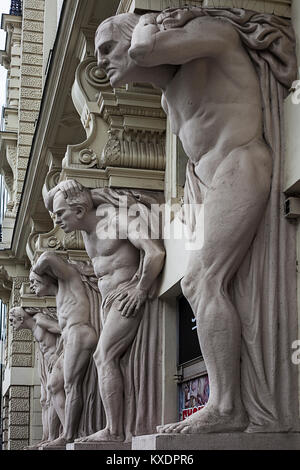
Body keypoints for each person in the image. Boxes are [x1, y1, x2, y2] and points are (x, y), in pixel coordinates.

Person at [94, 7, 298, 434]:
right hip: (210, 183)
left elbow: (147, 48)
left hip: (242, 163)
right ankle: (227, 402)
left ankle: (226, 406)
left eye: (109, 48)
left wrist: (145, 24)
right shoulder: (169, 94)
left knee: (201, 280)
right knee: (199, 282)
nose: (100, 63)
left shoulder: (212, 33)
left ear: (135, 35)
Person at [44, 182, 165, 442]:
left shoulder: (116, 220)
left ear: (78, 210)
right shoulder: (87, 232)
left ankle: (114, 430)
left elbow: (155, 252)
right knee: (112, 360)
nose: (58, 221)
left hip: (127, 296)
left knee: (103, 356)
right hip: (107, 302)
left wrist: (140, 289)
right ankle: (116, 426)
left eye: (60, 213)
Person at [31, 253, 98, 446]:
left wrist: (37, 268)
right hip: (70, 339)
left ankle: (69, 435)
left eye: (34, 281)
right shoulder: (60, 291)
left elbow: (48, 257)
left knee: (71, 385)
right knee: (53, 385)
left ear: (46, 276)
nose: (32, 285)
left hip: (80, 334)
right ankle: (66, 429)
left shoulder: (68, 277)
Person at [9, 306, 63, 448]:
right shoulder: (34, 327)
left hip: (57, 361)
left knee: (52, 395)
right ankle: (47, 438)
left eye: (12, 319)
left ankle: (63, 435)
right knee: (44, 400)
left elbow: (65, 331)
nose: (10, 322)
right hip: (47, 364)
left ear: (21, 318)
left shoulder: (40, 320)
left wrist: (58, 354)